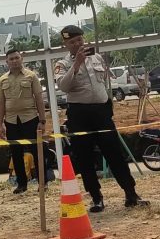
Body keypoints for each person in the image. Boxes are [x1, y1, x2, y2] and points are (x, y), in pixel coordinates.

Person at [57, 24, 145, 211]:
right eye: (72, 42)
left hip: (101, 112)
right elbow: (63, 87)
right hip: (79, 114)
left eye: (79, 40)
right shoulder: (62, 64)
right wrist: (76, 64)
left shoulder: (96, 57)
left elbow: (104, 80)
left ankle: (131, 193)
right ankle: (96, 197)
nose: (77, 44)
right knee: (84, 157)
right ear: (66, 45)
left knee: (115, 153)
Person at [0, 48, 52, 194]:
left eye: (17, 58)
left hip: (30, 119)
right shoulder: (2, 79)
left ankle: (43, 182)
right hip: (11, 121)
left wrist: (42, 120)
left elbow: (39, 99)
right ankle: (21, 184)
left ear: (22, 59)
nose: (14, 61)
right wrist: (0, 124)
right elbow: (0, 103)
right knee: (16, 153)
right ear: (6, 62)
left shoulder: (31, 76)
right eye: (11, 59)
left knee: (37, 151)